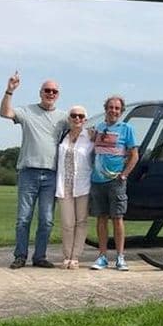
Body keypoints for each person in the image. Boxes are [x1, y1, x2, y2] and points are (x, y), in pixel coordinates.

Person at [0, 72, 68, 269]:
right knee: (23, 218)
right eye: (47, 90)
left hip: (52, 174)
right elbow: (5, 113)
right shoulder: (27, 111)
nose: (50, 93)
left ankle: (39, 257)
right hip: (28, 172)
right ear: (41, 93)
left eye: (54, 91)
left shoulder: (64, 117)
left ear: (58, 95)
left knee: (46, 220)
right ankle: (20, 256)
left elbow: (81, 126)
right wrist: (9, 91)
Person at [89, 95, 139, 271]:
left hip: (116, 181)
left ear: (121, 111)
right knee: (101, 219)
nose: (113, 111)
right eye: (111, 107)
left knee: (117, 218)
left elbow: (134, 155)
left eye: (117, 108)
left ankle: (120, 257)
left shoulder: (127, 129)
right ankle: (102, 256)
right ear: (106, 109)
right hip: (97, 180)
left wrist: (124, 174)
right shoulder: (97, 129)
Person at [55, 105, 93, 270]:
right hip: (64, 185)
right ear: (69, 118)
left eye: (80, 116)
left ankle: (75, 256)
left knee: (81, 221)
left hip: (83, 184)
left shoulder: (91, 136)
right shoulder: (63, 136)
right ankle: (66, 255)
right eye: (74, 115)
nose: (77, 118)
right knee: (67, 222)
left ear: (85, 119)